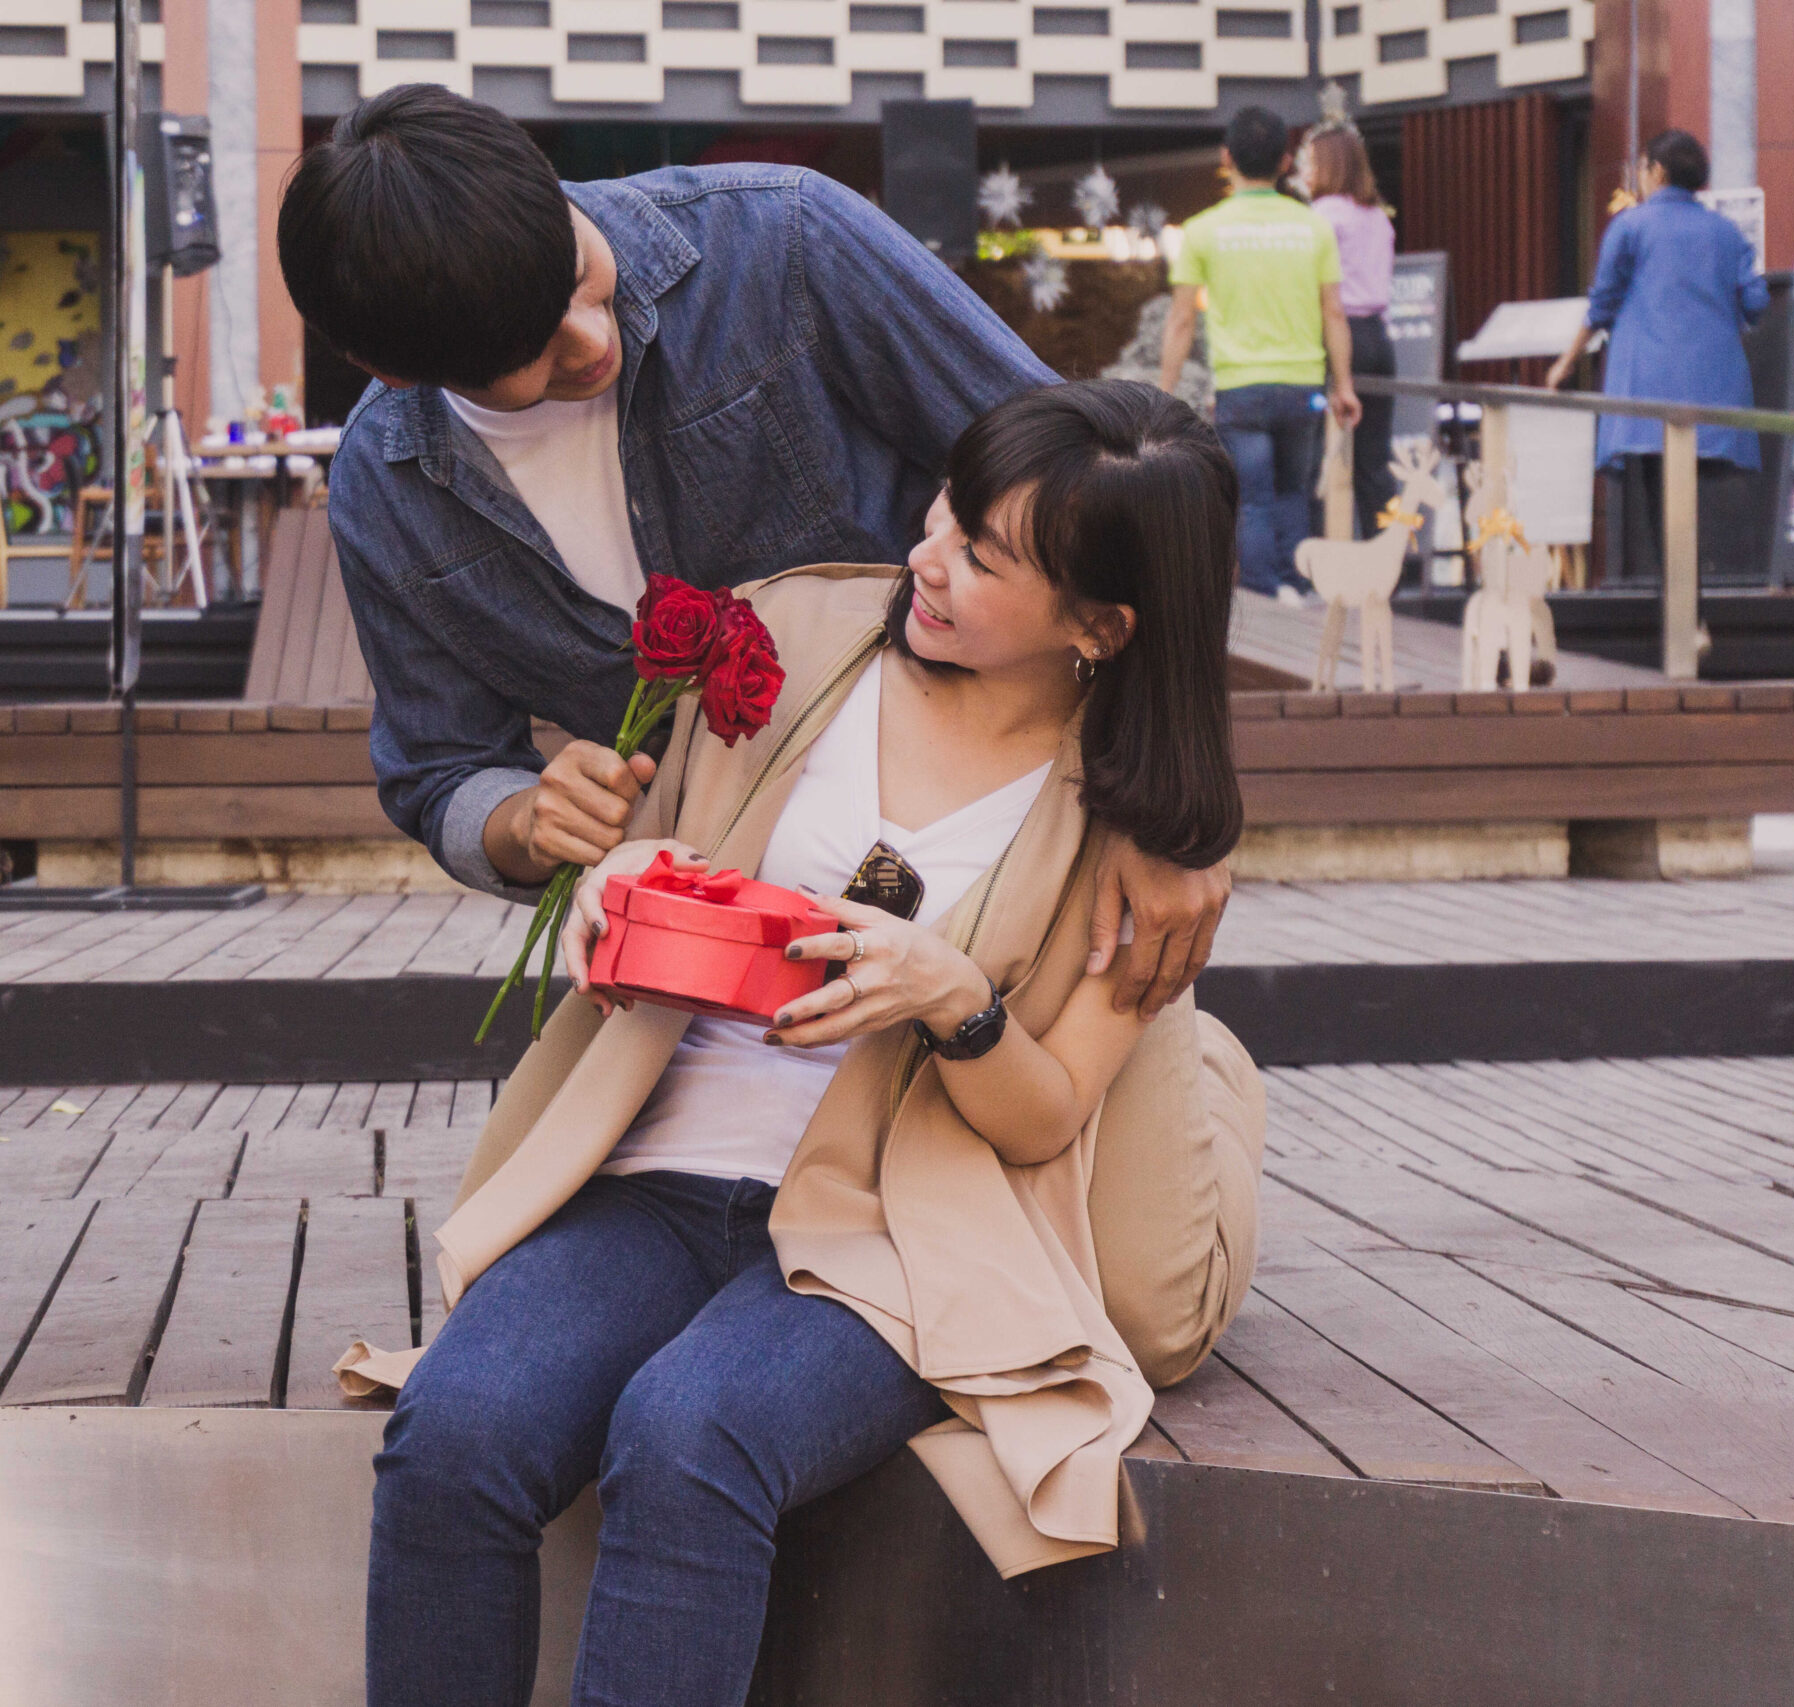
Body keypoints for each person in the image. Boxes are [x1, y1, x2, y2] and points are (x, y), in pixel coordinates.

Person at [341, 381, 1265, 1707]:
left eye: (985, 557)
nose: (929, 562)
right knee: (460, 1431)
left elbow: (1046, 1113)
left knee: (690, 1428)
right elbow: (643, 855)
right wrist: (618, 883)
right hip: (651, 1173)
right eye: (944, 513)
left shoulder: (1134, 823)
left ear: (1101, 627)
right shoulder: (799, 628)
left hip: (885, 1232)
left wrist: (948, 993)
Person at [277, 87, 1231, 1017]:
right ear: (393, 372)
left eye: (578, 274)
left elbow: (1115, 508)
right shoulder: (386, 487)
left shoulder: (785, 242)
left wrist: (1172, 821)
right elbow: (439, 768)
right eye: (534, 352)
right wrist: (526, 820)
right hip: (705, 985)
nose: (591, 338)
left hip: (987, 895)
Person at [1544, 128, 1770, 582]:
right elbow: (1756, 302)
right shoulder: (1726, 232)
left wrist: (1565, 362)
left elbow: (1602, 303)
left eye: (1642, 168)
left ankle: (1677, 607)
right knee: (1702, 496)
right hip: (1715, 387)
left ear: (1657, 171)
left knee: (1656, 496)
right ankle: (1699, 604)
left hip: (1646, 384)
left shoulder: (1631, 226)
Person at [1159, 105, 1360, 604]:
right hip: (1302, 385)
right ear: (1287, 161)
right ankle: (1296, 584)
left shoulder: (1203, 229)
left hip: (1240, 387)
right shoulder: (1313, 227)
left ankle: (1262, 598)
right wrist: (1345, 384)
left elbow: (1182, 319)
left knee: (1251, 501)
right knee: (1294, 492)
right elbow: (1334, 312)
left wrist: (1164, 391)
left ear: (1226, 158)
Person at [1303, 126, 1400, 537]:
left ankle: (1317, 561)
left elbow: (1315, 287)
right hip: (1379, 338)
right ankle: (1392, 552)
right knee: (1375, 461)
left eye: (1309, 161)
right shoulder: (1377, 216)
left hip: (1339, 337)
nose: (1304, 171)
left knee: (1317, 455)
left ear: (1328, 165)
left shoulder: (1322, 215)